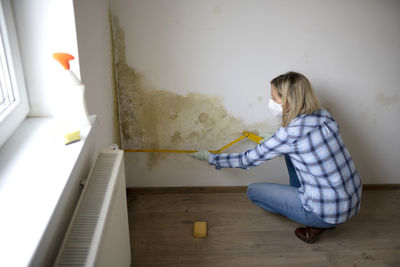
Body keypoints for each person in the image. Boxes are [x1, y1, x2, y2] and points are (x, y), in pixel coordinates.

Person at [189, 71, 362, 243]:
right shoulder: (323, 115)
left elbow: (245, 160)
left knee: (253, 192)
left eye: (274, 98)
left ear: (288, 101)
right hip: (351, 200)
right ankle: (312, 208)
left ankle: (317, 223)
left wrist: (211, 158)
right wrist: (274, 140)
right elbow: (304, 143)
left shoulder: (289, 134)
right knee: (289, 154)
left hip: (324, 211)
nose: (270, 102)